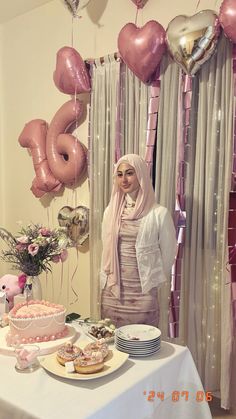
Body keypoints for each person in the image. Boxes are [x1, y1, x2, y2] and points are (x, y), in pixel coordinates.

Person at [100, 154, 177, 328]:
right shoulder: (110, 212)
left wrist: (151, 276)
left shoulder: (158, 213)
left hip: (143, 292)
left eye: (129, 173)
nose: (124, 180)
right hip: (113, 289)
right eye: (119, 175)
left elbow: (168, 254)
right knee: (113, 343)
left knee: (143, 344)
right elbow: (106, 245)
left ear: (141, 174)